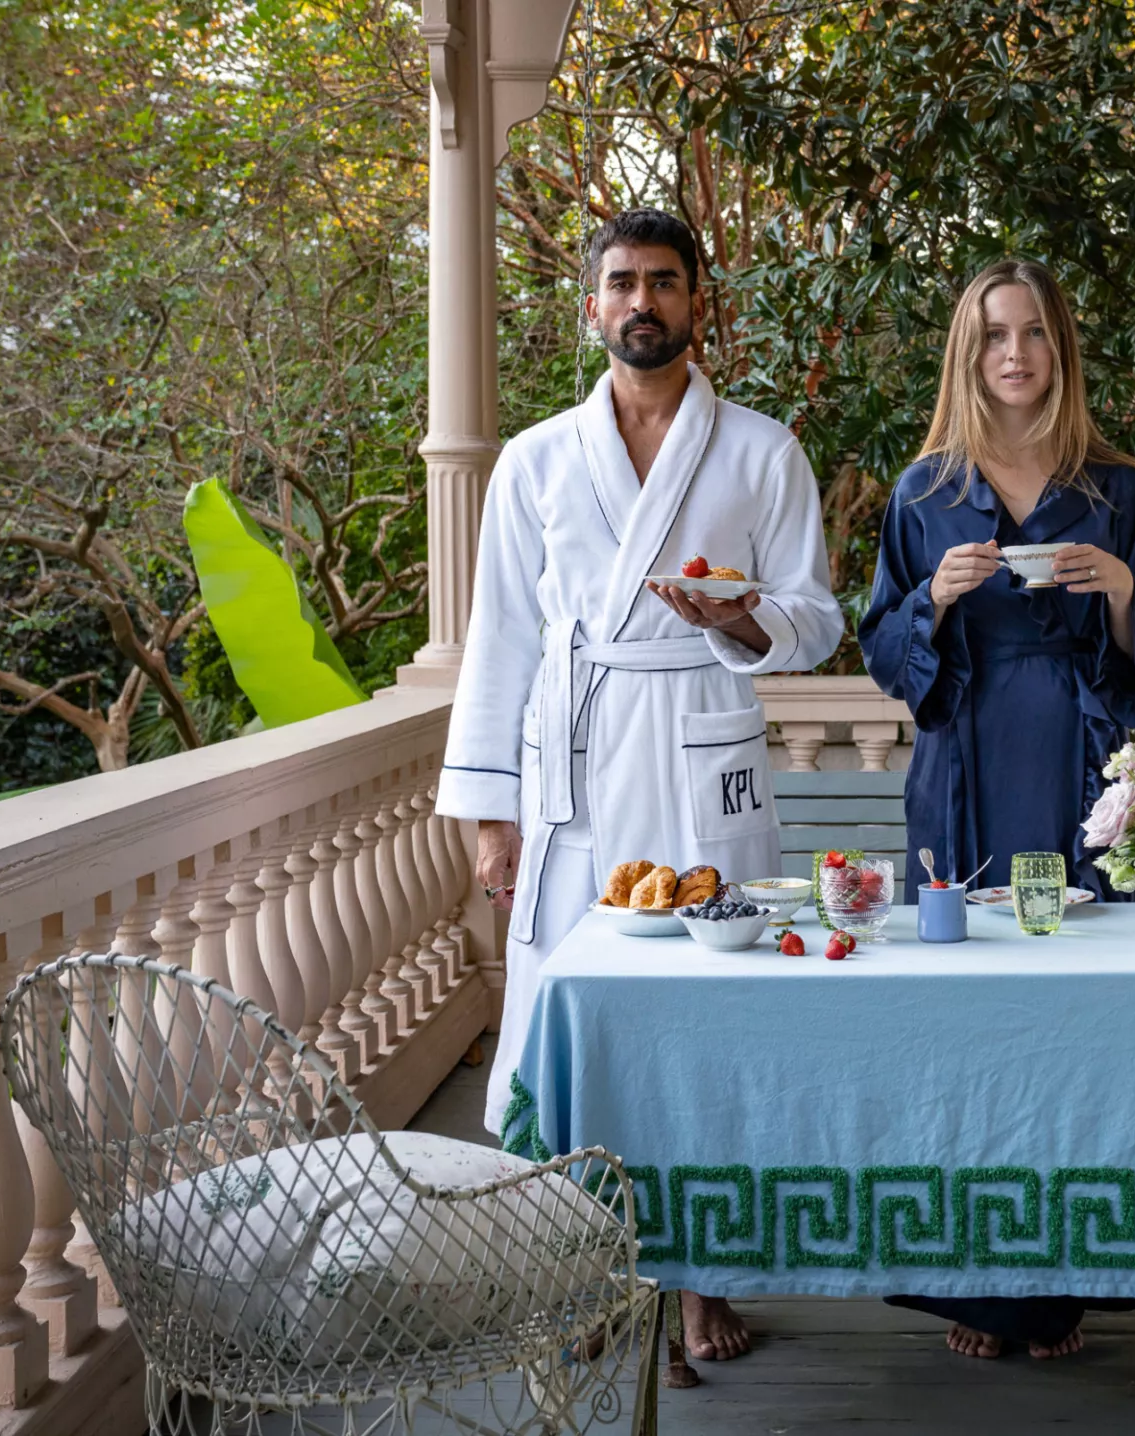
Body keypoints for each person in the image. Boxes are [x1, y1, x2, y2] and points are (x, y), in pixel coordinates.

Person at [435, 208, 842, 1363]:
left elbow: (816, 617)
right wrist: (493, 816)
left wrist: (738, 616)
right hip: (576, 763)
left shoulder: (761, 450)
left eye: (664, 281)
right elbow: (501, 639)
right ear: (591, 306)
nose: (642, 301)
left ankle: (709, 1272)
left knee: (718, 1015)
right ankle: (575, 1271)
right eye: (621, 282)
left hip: (702, 749)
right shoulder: (535, 459)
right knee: (573, 1019)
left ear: (698, 302)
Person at [857, 258, 1135, 1358]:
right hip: (964, 770)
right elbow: (884, 649)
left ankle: (1069, 1285)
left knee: (1085, 1011)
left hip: (1082, 772)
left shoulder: (1117, 489)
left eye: (1035, 331)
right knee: (962, 1011)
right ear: (969, 350)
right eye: (995, 333)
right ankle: (978, 1286)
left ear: (1060, 348)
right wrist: (933, 598)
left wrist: (1122, 589)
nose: (1015, 353)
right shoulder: (923, 491)